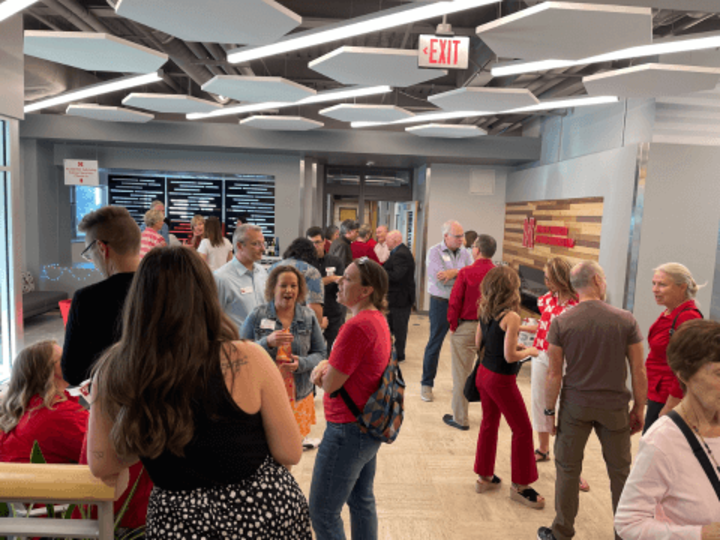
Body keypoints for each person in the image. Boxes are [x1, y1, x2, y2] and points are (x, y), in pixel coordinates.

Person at [87, 247, 311, 539]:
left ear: (139, 299)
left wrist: (151, 437)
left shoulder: (116, 369)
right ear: (206, 295)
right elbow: (290, 451)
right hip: (263, 509)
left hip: (178, 518)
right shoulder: (247, 357)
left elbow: (102, 463)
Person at [537, 261, 647, 540]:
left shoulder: (562, 321)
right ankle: (625, 534)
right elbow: (638, 369)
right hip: (615, 407)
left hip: (575, 406)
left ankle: (561, 532)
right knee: (621, 472)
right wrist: (640, 407)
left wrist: (549, 411)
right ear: (598, 280)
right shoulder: (625, 319)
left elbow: (554, 373)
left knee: (567, 470)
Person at [309, 257, 391, 540]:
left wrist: (320, 372)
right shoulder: (377, 320)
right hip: (365, 425)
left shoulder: (355, 327)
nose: (339, 283)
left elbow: (331, 383)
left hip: (347, 428)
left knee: (322, 513)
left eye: (347, 278)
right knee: (361, 501)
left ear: (366, 290)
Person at [615, 319, 720, 540]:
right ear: (684, 375)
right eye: (718, 373)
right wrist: (700, 535)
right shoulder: (663, 441)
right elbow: (628, 523)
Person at [473, 266, 543, 509]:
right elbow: (511, 356)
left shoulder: (484, 307)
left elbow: (479, 341)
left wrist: (520, 330)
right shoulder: (511, 316)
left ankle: (484, 477)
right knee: (523, 429)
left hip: (484, 374)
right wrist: (531, 351)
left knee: (489, 424)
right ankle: (521, 486)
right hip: (501, 380)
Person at [520, 257, 590, 492]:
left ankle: (572, 467)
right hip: (542, 356)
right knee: (539, 402)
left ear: (561, 278)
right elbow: (544, 326)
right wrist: (519, 327)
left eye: (549, 277)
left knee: (566, 410)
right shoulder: (546, 299)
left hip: (569, 361)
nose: (546, 281)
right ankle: (542, 448)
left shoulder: (581, 302)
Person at [240, 266, 326, 441]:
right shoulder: (258, 315)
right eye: (283, 285)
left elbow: (321, 353)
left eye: (293, 286)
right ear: (273, 288)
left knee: (293, 445)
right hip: (265, 394)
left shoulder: (308, 317)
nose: (289, 290)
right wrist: (267, 342)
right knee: (268, 443)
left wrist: (301, 363)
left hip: (299, 394)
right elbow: (240, 352)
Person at [61, 206, 141, 386]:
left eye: (90, 254)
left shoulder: (87, 299)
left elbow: (73, 372)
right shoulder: (169, 290)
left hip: (113, 404)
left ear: (101, 248)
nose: (93, 261)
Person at [0, 340, 87, 464]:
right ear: (48, 373)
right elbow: (109, 450)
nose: (70, 361)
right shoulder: (58, 413)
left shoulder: (26, 407)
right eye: (63, 358)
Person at [643, 262, 703, 433]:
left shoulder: (687, 317)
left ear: (682, 287)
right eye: (654, 284)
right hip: (657, 392)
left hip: (669, 397)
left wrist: (671, 403)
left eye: (662, 285)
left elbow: (687, 365)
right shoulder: (670, 312)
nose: (655, 289)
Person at [445, 234, 496, 431]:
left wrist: (453, 325)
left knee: (462, 375)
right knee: (489, 375)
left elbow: (455, 301)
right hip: (490, 328)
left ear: (477, 250)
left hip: (467, 327)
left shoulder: (466, 272)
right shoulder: (498, 273)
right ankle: (490, 419)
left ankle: (460, 418)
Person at [420, 220, 473, 402]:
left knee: (462, 345)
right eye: (457, 236)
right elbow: (439, 278)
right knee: (435, 343)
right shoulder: (434, 252)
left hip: (462, 304)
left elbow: (471, 275)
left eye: (462, 236)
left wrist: (453, 272)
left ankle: (460, 385)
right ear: (446, 236)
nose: (461, 239)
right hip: (441, 302)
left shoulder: (465, 252)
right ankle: (426, 384)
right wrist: (460, 273)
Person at [214, 224, 268, 329]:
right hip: (237, 343)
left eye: (263, 243)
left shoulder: (262, 273)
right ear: (239, 246)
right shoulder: (221, 278)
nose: (262, 248)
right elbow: (214, 318)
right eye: (256, 244)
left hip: (263, 342)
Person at [271, 238, 325, 327]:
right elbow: (313, 307)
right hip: (297, 326)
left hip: (271, 323)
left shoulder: (273, 268)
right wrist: (320, 325)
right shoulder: (310, 271)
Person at [307, 226, 345, 351]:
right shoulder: (304, 264)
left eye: (317, 242)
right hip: (310, 312)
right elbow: (306, 285)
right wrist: (330, 279)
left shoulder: (335, 261)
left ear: (324, 242)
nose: (314, 246)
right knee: (311, 349)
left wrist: (330, 280)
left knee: (334, 349)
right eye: (311, 243)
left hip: (333, 311)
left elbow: (341, 281)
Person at [384, 230, 416, 364]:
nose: (385, 243)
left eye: (388, 240)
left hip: (400, 299)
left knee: (399, 328)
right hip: (397, 298)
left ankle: (399, 354)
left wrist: (381, 272)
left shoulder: (401, 254)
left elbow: (397, 276)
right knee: (393, 327)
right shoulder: (398, 252)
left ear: (396, 240)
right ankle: (393, 352)